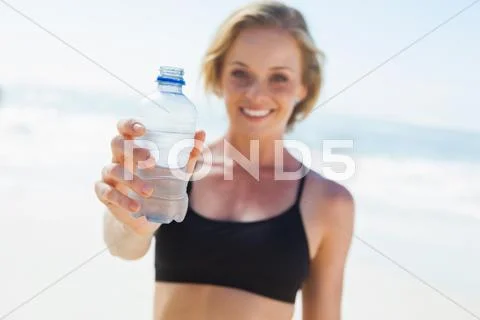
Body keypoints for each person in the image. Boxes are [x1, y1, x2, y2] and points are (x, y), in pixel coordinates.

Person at [94, 1, 355, 319]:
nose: (256, 94)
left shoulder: (328, 203)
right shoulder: (181, 166)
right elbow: (124, 247)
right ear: (218, 75)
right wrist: (129, 219)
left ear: (304, 86)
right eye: (240, 73)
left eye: (279, 78)